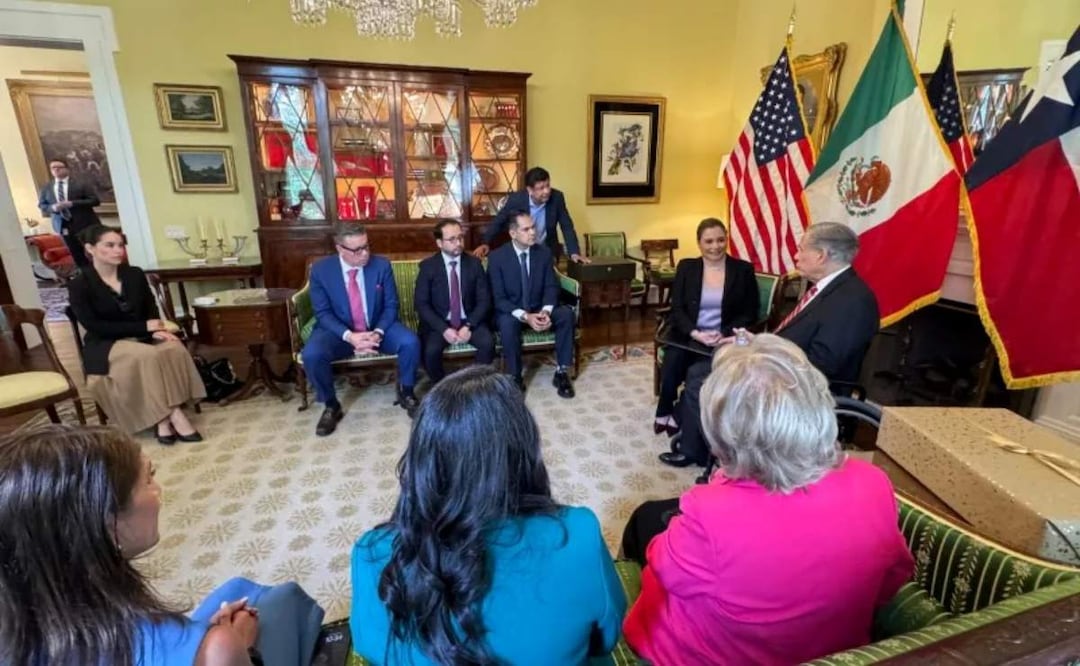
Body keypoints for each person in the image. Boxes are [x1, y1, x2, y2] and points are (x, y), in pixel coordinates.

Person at [621, 335, 914, 666]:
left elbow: (662, 566)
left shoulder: (709, 513)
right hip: (836, 651)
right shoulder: (874, 482)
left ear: (722, 435)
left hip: (712, 656)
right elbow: (890, 582)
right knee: (651, 516)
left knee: (645, 521)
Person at [350, 366, 625, 666]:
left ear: (422, 460)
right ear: (523, 450)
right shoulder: (578, 535)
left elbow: (369, 647)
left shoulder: (371, 554)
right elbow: (606, 639)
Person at [0, 424, 325, 666]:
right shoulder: (214, 650)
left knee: (236, 590)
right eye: (149, 478)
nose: (158, 490)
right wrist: (238, 647)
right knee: (281, 602)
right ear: (109, 523)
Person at [67, 225, 206, 443]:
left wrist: (158, 330)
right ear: (90, 248)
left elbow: (151, 308)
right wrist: (144, 327)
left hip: (143, 336)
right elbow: (94, 326)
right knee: (146, 355)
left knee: (174, 348)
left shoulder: (134, 274)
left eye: (120, 245)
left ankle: (162, 420)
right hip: (105, 343)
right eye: (109, 245)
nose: (118, 250)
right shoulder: (79, 284)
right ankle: (174, 415)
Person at [301, 222, 421, 435]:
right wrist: (350, 336)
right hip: (338, 332)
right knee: (312, 354)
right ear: (340, 248)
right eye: (357, 250)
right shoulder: (321, 270)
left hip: (377, 328)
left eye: (366, 246)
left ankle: (407, 392)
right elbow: (323, 313)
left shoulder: (381, 265)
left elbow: (391, 305)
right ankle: (331, 405)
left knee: (410, 342)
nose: (364, 253)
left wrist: (378, 332)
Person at [654, 219, 759, 451]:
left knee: (699, 373)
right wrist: (695, 332)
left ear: (727, 239)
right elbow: (677, 309)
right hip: (689, 333)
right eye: (709, 241)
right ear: (699, 243)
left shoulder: (743, 270)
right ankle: (664, 408)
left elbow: (750, 312)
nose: (715, 246)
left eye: (720, 240)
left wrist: (723, 334)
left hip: (723, 338)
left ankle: (679, 413)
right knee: (673, 361)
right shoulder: (687, 267)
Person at [775, 221, 880, 386]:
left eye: (801, 249)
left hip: (804, 391)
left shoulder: (853, 301)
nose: (796, 256)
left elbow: (823, 364)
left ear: (821, 255)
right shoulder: (827, 288)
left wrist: (765, 361)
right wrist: (757, 344)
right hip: (785, 377)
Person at [487, 211, 576, 397]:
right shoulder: (497, 258)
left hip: (539, 308)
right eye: (526, 229)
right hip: (513, 311)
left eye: (533, 227)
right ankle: (515, 377)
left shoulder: (543, 253)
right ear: (513, 233)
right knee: (507, 323)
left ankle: (561, 372)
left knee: (566, 315)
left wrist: (546, 311)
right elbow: (498, 297)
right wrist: (526, 316)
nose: (533, 232)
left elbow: (551, 286)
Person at [414, 219, 495, 383]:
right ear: (439, 243)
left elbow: (484, 300)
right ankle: (443, 387)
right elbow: (421, 304)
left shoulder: (474, 264)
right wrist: (444, 329)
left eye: (460, 238)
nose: (458, 243)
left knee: (487, 344)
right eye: (452, 239)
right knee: (430, 351)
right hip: (439, 323)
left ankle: (474, 385)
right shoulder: (428, 267)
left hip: (469, 320)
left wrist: (469, 325)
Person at [473, 166, 588, 264]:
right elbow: (499, 221)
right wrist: (485, 243)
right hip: (521, 251)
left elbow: (567, 226)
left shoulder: (557, 198)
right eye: (541, 188)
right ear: (530, 190)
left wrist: (574, 253)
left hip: (547, 252)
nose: (546, 191)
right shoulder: (516, 199)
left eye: (548, 185)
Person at [37, 157, 102, 267]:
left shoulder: (81, 184)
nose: (56, 170)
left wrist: (72, 203)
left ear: (67, 169)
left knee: (95, 253)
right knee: (76, 254)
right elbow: (42, 205)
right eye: (53, 168)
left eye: (59, 167)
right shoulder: (47, 187)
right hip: (63, 225)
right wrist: (53, 208)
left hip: (85, 224)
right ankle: (85, 275)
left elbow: (95, 201)